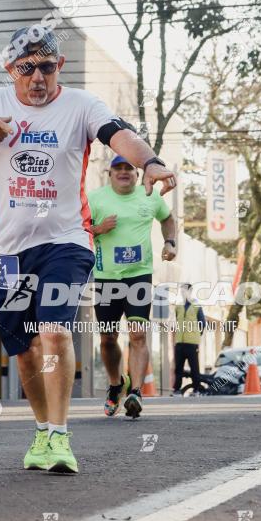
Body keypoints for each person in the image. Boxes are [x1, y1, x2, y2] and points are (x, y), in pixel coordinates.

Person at [0, 24, 176, 473]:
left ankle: (60, 437)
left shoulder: (81, 105)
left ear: (59, 65)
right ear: (11, 70)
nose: (38, 78)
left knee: (55, 331)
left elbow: (117, 133)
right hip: (9, 251)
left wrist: (151, 162)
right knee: (23, 348)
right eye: (27, 68)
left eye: (46, 66)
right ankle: (42, 431)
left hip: (67, 242)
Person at [88, 156, 177, 419]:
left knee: (138, 334)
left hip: (139, 276)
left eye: (129, 168)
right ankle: (117, 385)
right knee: (107, 339)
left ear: (138, 175)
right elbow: (75, 229)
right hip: (105, 277)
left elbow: (168, 219)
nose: (124, 172)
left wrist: (170, 242)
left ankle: (136, 392)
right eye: (119, 168)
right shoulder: (95, 199)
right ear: (110, 173)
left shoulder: (150, 196)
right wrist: (98, 228)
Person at [172, 283, 207, 395]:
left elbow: (202, 323)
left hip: (192, 343)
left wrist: (196, 335)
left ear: (190, 291)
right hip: (179, 342)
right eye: (181, 291)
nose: (183, 293)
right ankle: (177, 390)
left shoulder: (196, 306)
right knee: (178, 368)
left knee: (194, 368)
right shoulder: (178, 306)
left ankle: (196, 389)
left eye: (185, 290)